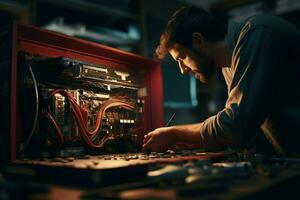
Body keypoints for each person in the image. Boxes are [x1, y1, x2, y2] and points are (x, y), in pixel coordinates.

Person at [142, 6, 300, 156]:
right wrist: (194, 140)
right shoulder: (228, 66)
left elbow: (236, 125)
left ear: (198, 40)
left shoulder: (257, 33)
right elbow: (246, 131)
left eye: (182, 58)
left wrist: (176, 134)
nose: (183, 70)